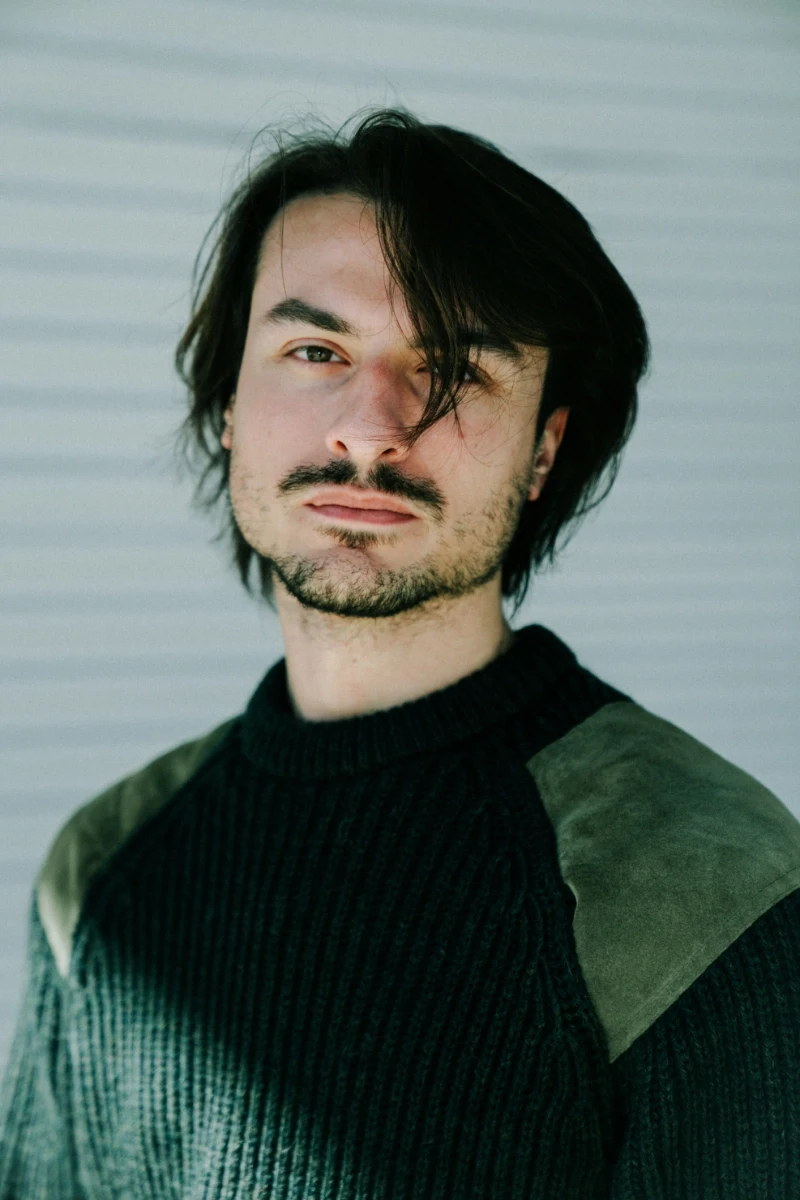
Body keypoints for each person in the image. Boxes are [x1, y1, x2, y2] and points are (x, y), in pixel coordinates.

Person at [2, 106, 798, 1199]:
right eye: (314, 351)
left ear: (543, 450)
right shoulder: (103, 869)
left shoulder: (702, 884)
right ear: (229, 404)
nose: (371, 428)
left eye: (456, 370)